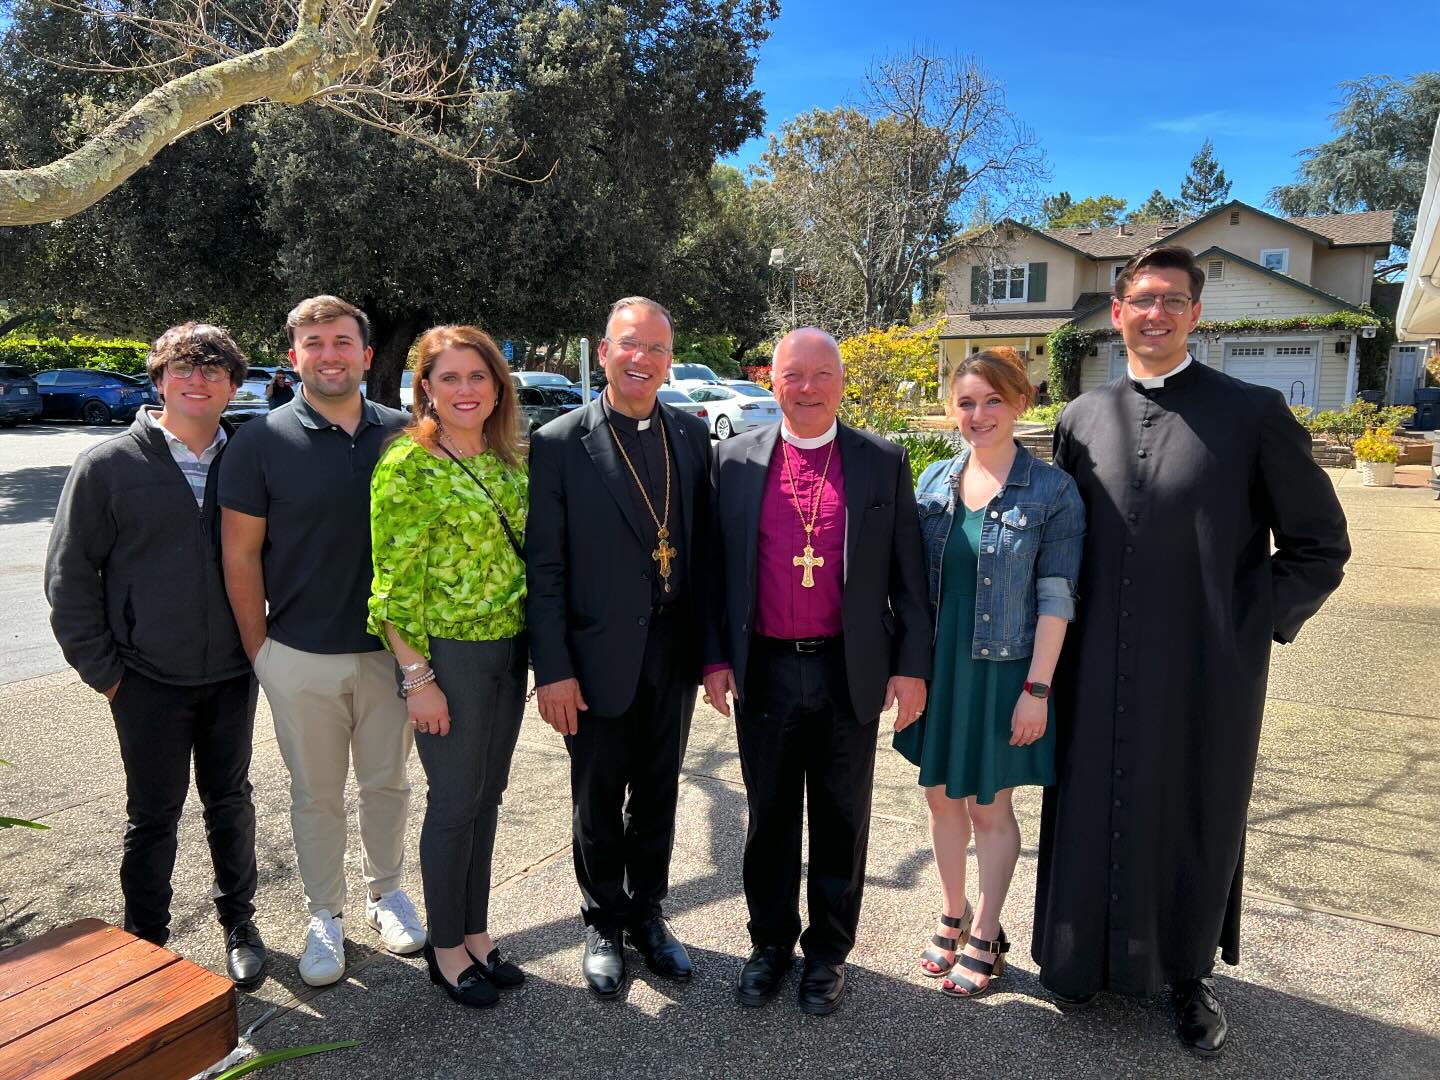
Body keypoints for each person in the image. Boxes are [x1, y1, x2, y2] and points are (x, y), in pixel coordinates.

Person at [1034, 245, 1350, 1054]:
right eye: (1142, 300)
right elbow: (1054, 540)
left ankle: (1186, 975)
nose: (1157, 314)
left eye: (1173, 301)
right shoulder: (1080, 419)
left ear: (1196, 315)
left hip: (1205, 669)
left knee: (1191, 808)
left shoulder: (1253, 414)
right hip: (1091, 662)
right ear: (1117, 313)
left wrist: (1249, 622)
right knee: (1090, 797)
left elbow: (1320, 545)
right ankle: (1080, 956)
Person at [703, 327, 931, 1016]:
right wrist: (715, 658)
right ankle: (770, 943)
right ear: (771, 382)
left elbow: (909, 575)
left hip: (847, 668)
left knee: (841, 817)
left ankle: (828, 951)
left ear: (841, 382)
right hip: (765, 669)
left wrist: (911, 666)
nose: (807, 388)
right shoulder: (733, 460)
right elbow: (714, 575)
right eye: (793, 375)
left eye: (821, 374)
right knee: (769, 816)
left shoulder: (880, 460)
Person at [45, 323, 267, 988]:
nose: (198, 380)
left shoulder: (251, 459)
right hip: (144, 678)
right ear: (160, 379)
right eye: (183, 368)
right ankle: (147, 940)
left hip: (234, 672)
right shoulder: (108, 466)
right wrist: (107, 674)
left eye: (214, 370)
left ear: (233, 385)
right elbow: (70, 577)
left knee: (231, 801)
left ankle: (240, 922)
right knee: (152, 816)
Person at [220, 295, 425, 987]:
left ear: (366, 355)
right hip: (299, 658)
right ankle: (324, 914)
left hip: (390, 656)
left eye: (342, 341)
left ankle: (386, 893)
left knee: (387, 785)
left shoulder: (406, 434)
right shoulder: (259, 442)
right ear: (294, 356)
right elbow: (240, 554)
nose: (329, 355)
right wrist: (262, 654)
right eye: (314, 343)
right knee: (315, 796)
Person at [526, 296, 714, 998]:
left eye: (657, 348)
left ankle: (648, 915)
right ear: (604, 352)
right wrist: (553, 670)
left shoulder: (690, 436)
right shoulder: (559, 442)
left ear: (670, 360)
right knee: (598, 796)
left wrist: (714, 656)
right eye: (629, 345)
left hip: (673, 648)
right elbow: (545, 569)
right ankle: (603, 919)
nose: (643, 359)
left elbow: (705, 554)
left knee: (658, 793)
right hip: (594, 653)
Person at [894, 347, 1084, 999]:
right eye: (967, 403)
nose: (979, 415)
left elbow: (1057, 596)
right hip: (940, 666)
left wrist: (1038, 690)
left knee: (989, 805)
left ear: (1021, 402)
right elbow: (909, 584)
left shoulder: (1053, 491)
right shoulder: (933, 482)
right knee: (939, 796)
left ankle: (987, 932)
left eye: (993, 401)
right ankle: (952, 912)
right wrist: (905, 669)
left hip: (1005, 672)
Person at [368, 326, 529, 1009]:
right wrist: (418, 678)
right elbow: (390, 587)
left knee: (487, 799)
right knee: (456, 801)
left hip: (509, 650)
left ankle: (476, 931)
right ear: (426, 389)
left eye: (478, 376)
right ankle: (445, 947)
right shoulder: (408, 464)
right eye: (450, 378)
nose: (466, 390)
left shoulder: (509, 460)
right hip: (448, 657)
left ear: (497, 386)